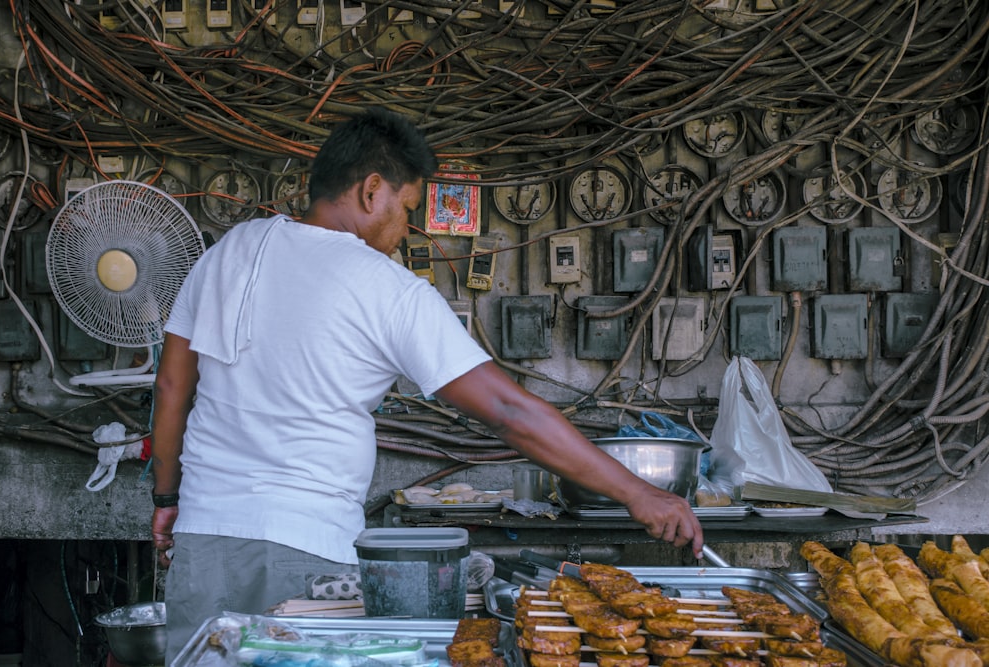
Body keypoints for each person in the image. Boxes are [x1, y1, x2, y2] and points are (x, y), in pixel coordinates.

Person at [150, 106, 704, 661]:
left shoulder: (229, 252)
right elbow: (509, 413)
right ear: (372, 191)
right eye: (407, 209)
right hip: (307, 552)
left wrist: (168, 498)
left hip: (204, 541)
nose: (405, 230)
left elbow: (173, 386)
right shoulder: (387, 288)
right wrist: (636, 492)